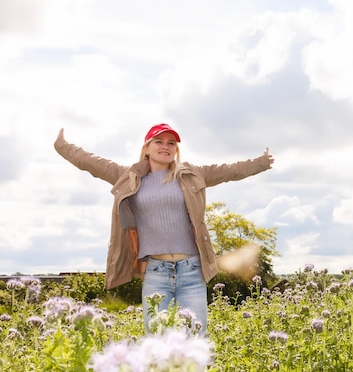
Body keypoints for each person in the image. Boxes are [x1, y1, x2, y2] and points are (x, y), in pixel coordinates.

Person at [54, 123, 274, 335]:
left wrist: (261, 162)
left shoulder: (190, 174)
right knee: (158, 339)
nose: (165, 146)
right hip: (156, 272)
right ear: (147, 148)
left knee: (195, 337)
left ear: (176, 150)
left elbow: (229, 171)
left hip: (191, 271)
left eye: (171, 143)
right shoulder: (128, 175)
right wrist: (62, 146)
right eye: (158, 141)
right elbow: (91, 162)